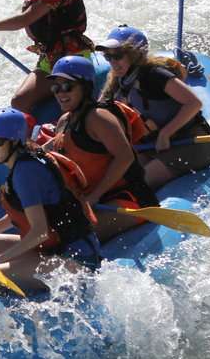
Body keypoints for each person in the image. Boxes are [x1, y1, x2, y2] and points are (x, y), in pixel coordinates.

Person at [0, 107, 101, 294]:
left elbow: (40, 233)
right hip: (56, 248)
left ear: (15, 141)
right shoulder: (23, 162)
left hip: (77, 260)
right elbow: (18, 216)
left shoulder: (25, 173)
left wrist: (1, 258)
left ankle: (5, 320)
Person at [45, 55, 160, 241]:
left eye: (67, 86)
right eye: (56, 87)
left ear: (85, 87)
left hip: (128, 199)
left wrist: (95, 196)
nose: (60, 93)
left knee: (71, 238)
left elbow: (125, 157)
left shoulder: (99, 118)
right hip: (94, 200)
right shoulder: (64, 122)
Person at [95, 25, 210, 190]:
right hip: (154, 146)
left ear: (135, 55)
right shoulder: (120, 79)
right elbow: (99, 111)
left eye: (118, 55)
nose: (113, 62)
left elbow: (194, 103)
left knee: (136, 185)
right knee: (114, 177)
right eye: (108, 56)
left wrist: (166, 133)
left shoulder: (155, 75)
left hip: (189, 145)